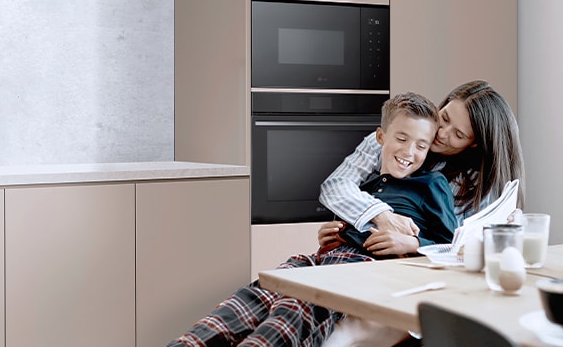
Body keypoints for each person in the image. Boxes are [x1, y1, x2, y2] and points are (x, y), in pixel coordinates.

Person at [166, 92, 459, 347]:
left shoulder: (431, 184)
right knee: (249, 299)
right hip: (319, 257)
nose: (409, 151)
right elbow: (336, 191)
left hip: (360, 266)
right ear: (380, 137)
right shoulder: (366, 181)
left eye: (421, 145)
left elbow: (451, 248)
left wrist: (412, 241)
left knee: (294, 310)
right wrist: (337, 230)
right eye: (402, 138)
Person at [319, 79, 525, 238]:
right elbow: (336, 186)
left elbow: (453, 244)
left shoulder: (473, 185)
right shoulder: (389, 140)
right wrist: (355, 226)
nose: (442, 133)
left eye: (458, 135)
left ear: (474, 144)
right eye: (444, 117)